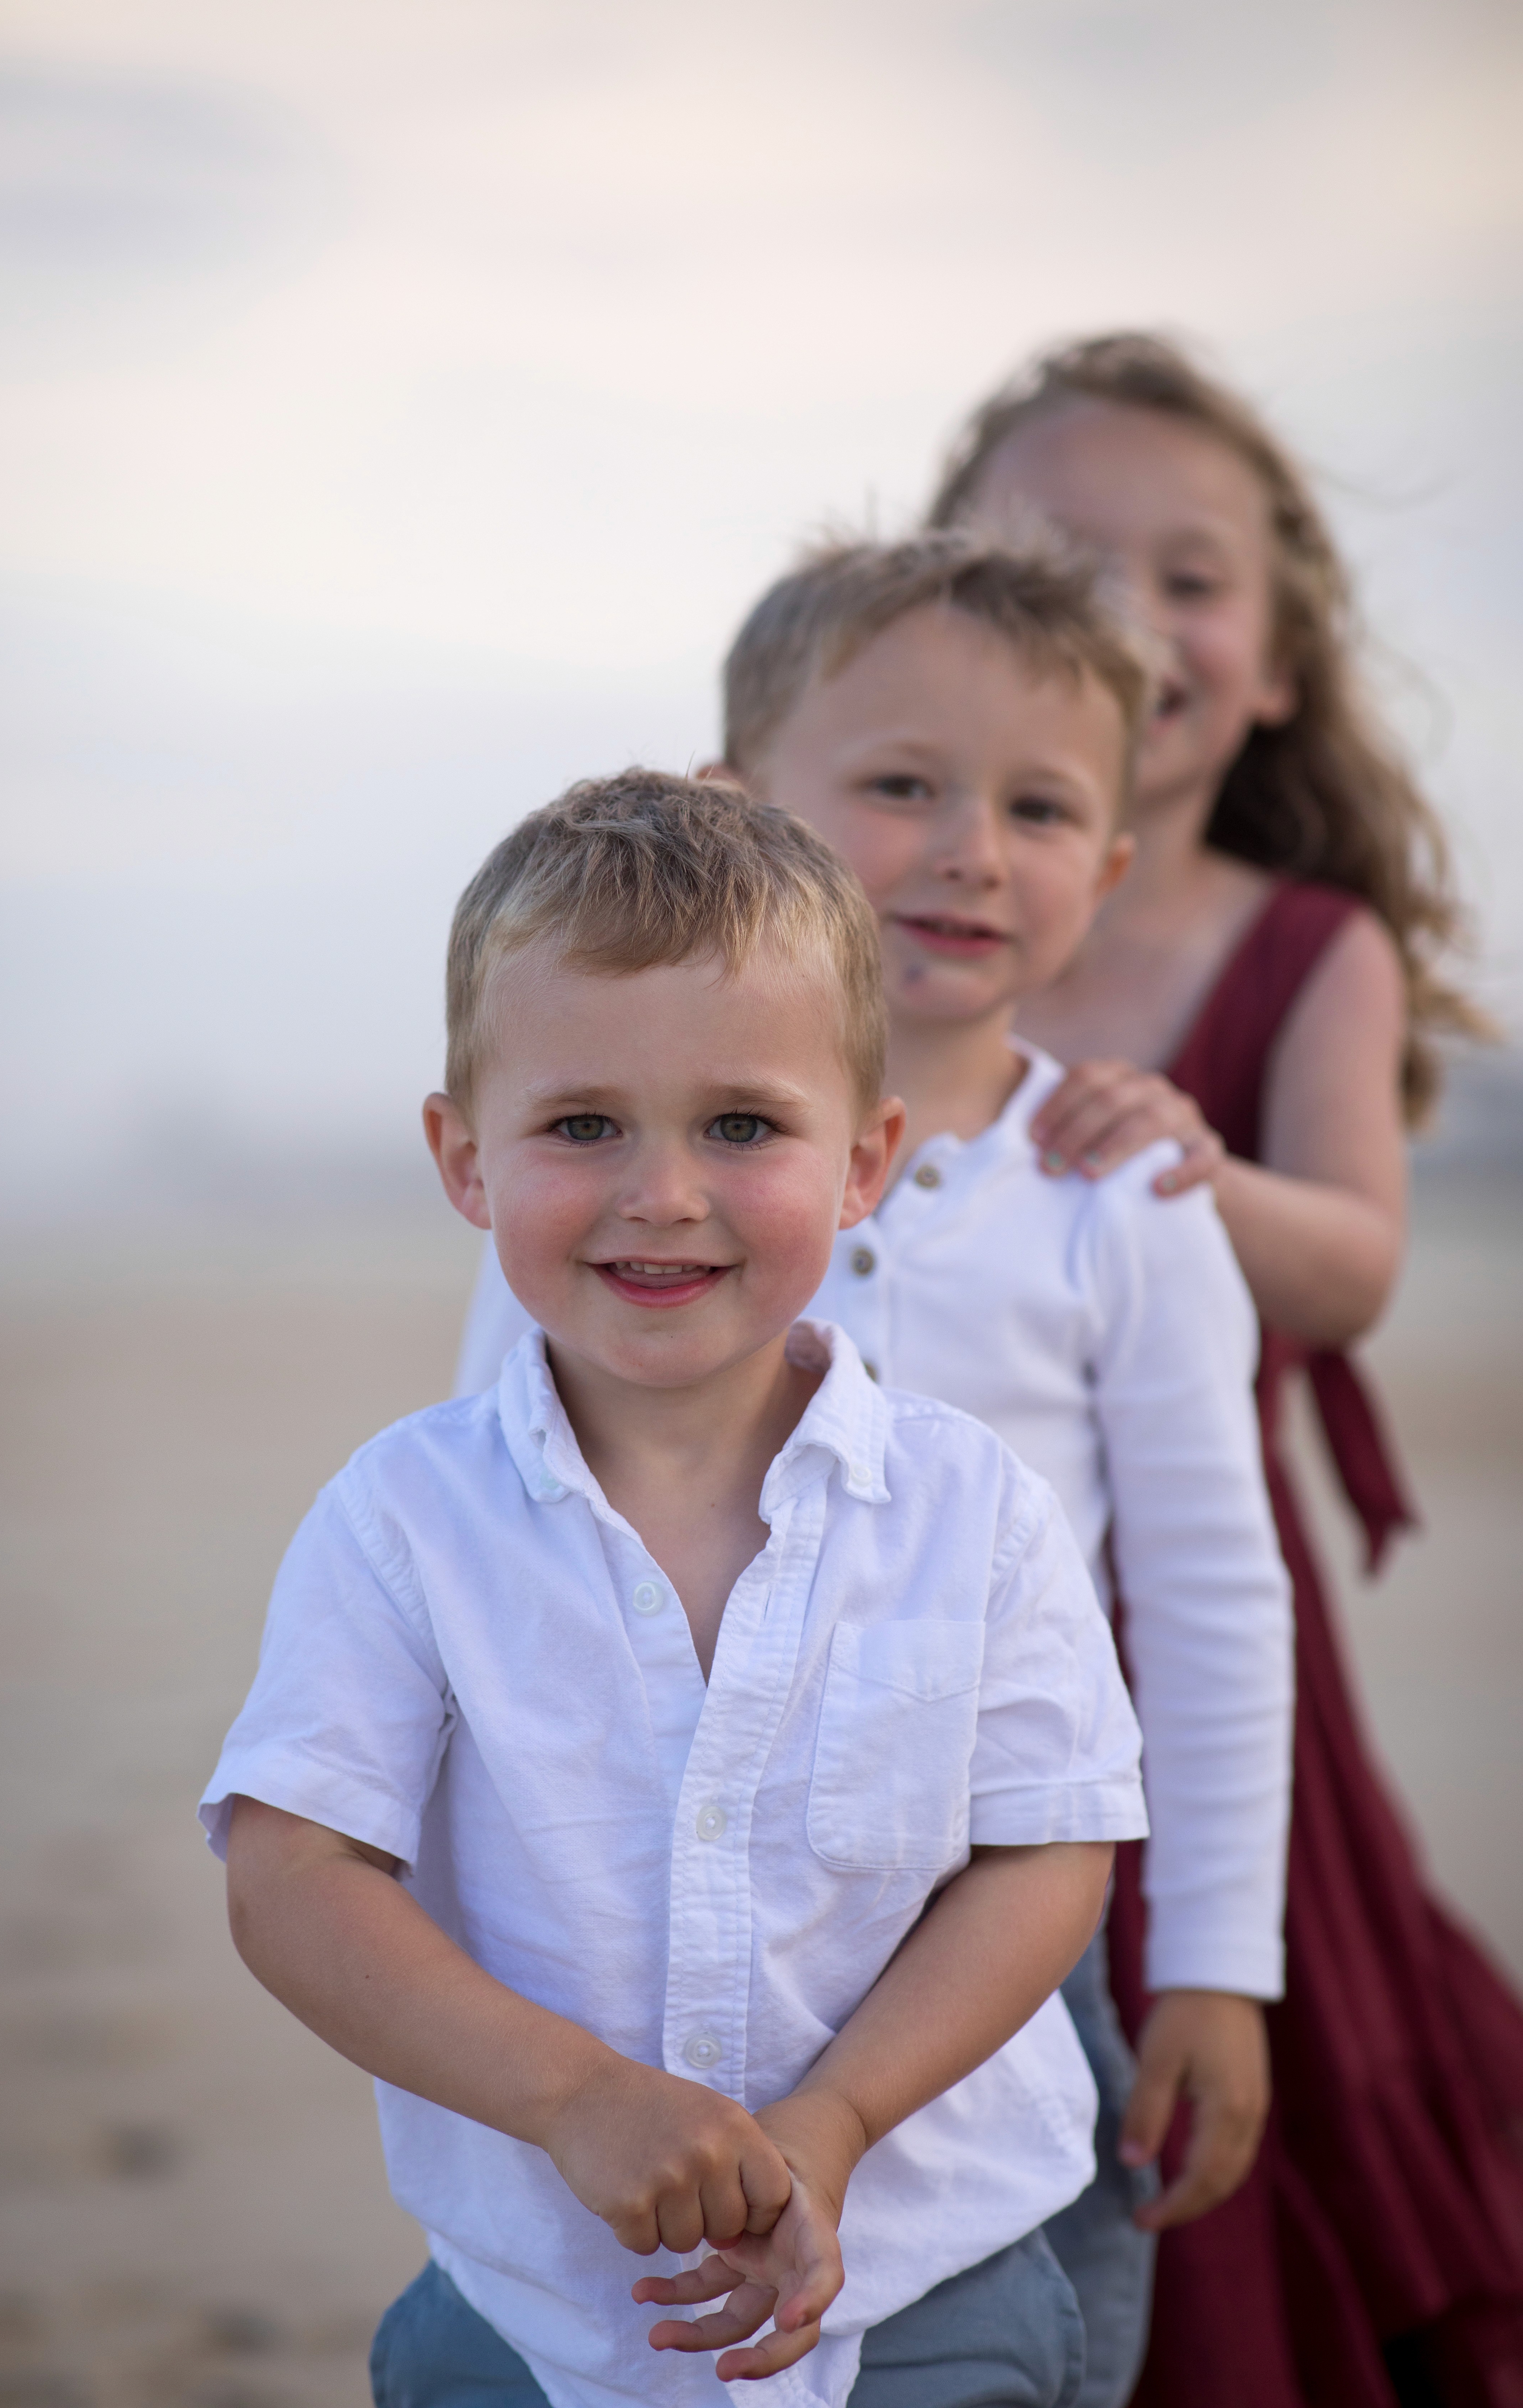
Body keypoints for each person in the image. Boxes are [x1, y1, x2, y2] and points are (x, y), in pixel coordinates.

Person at [454, 541, 1295, 2408]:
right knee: (600, 2332)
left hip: (989, 1912)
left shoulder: (1124, 1205)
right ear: (743, 806)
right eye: (903, 783)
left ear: (1113, 864)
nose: (970, 847)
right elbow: (501, 1511)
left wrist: (1224, 1963)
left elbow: (1219, 1596)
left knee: (1008, 2329)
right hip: (641, 1905)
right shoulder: (599, 1192)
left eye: (1041, 804)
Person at [202, 769, 1151, 2408]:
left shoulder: (970, 1508)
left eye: (741, 1125)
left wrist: (842, 2116)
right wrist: (573, 2097)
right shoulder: (403, 1521)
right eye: (582, 1125)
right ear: (463, 1157)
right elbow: (294, 1870)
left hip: (927, 2278)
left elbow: (1044, 1851)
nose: (662, 1191)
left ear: (863, 1159)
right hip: (532, 2304)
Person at [926, 331, 1523, 2408]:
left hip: (1185, 1606)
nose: (1122, 614)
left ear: (1274, 666)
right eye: (1052, 555)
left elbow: (1354, 1267)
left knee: (1220, 2020)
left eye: (1188, 575)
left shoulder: (1303, 944)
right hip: (903, 1583)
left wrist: (1196, 1165)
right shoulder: (877, 903)